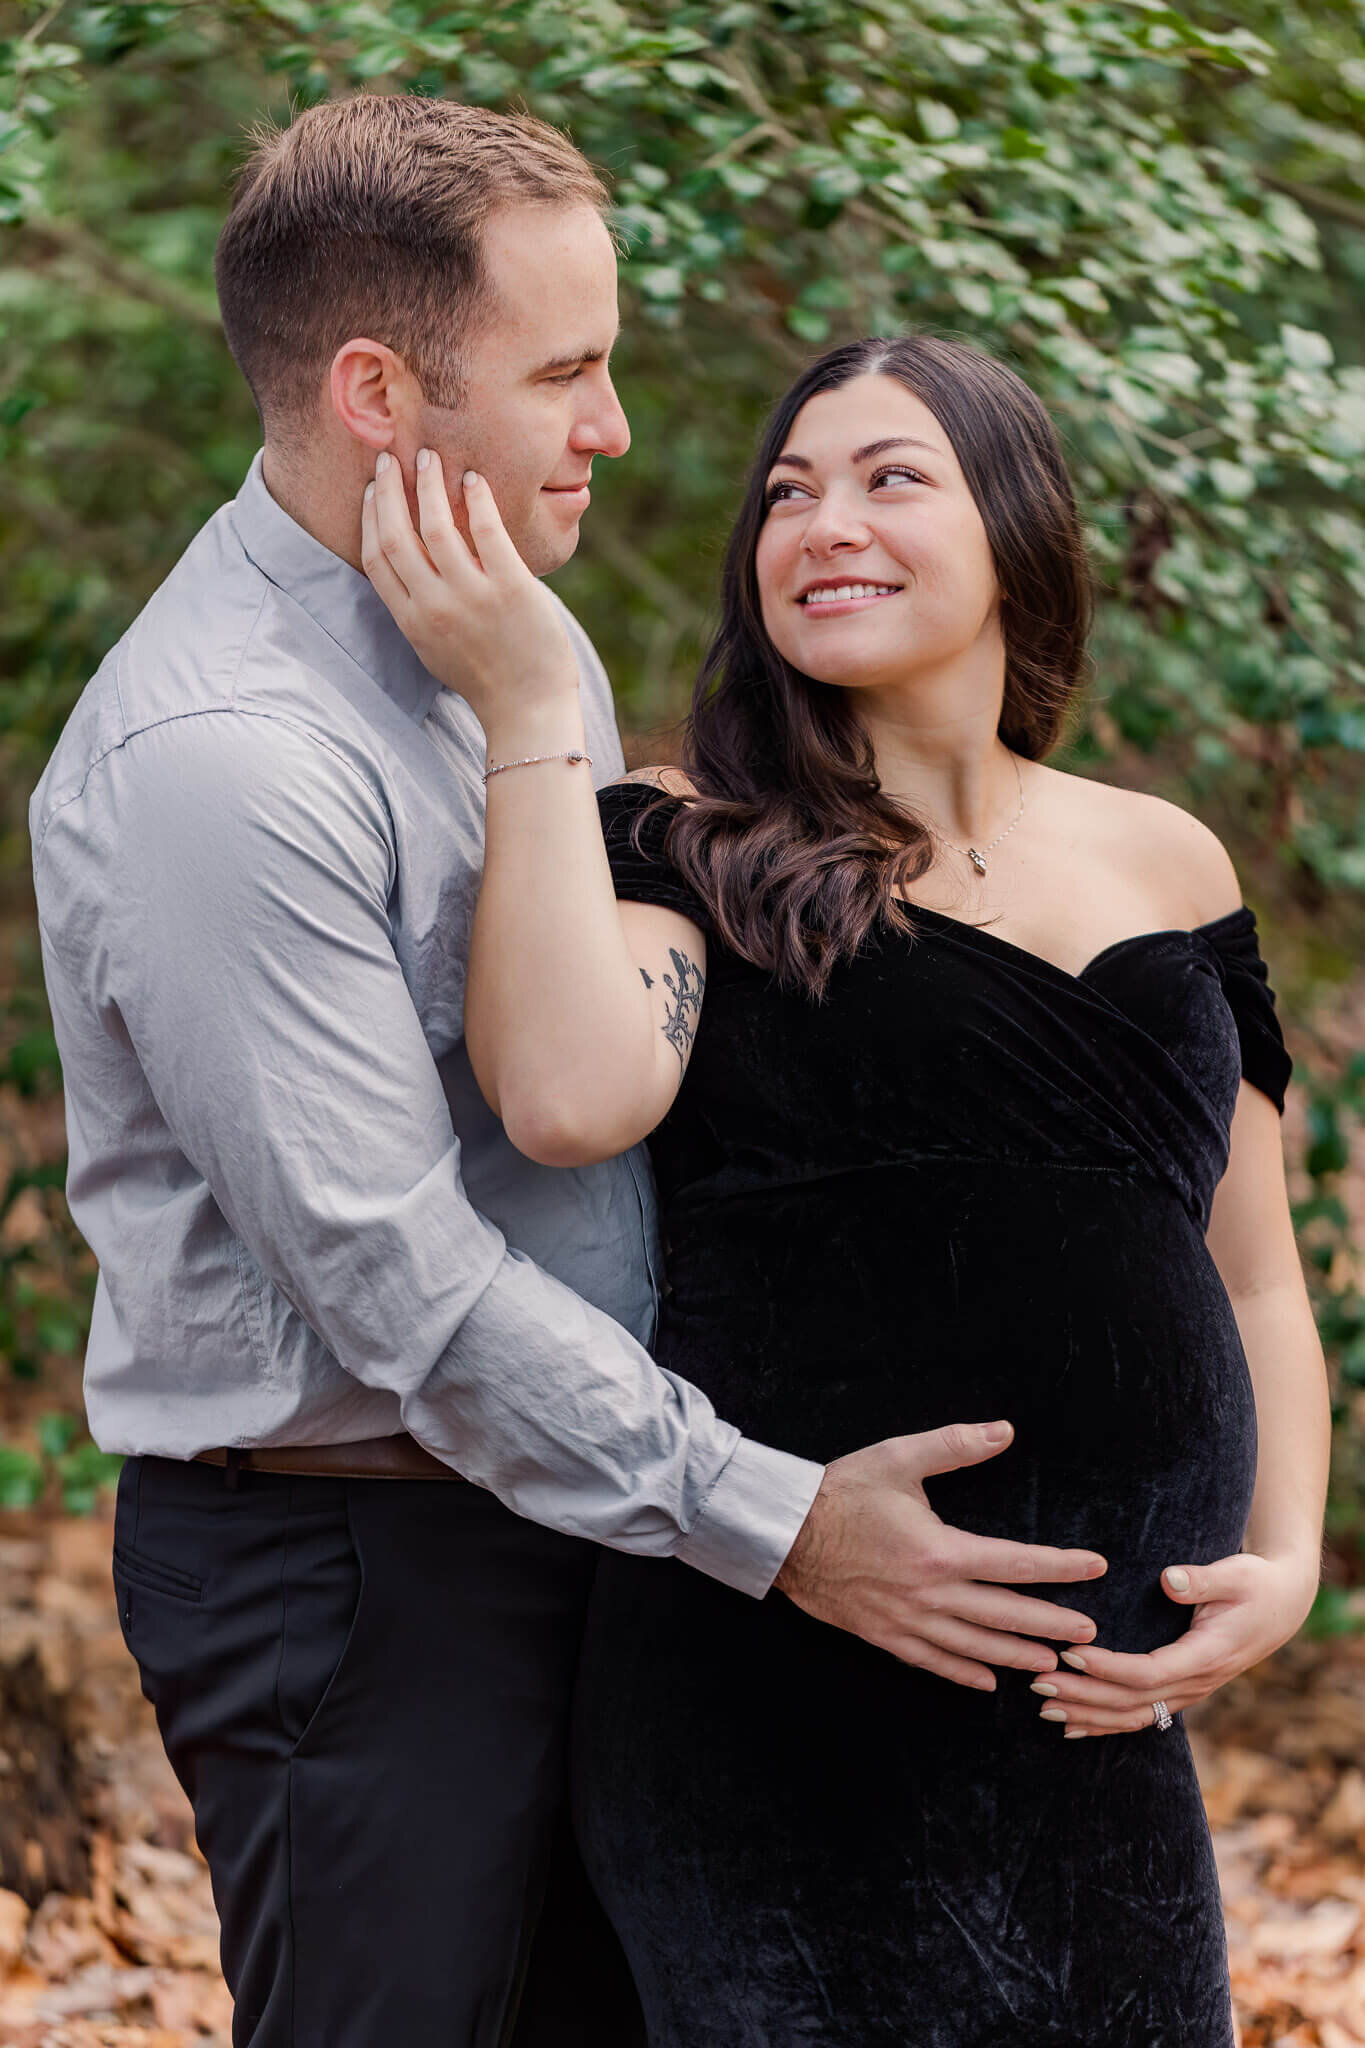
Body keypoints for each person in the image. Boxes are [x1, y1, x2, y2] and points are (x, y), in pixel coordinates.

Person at [27, 100, 1114, 2048]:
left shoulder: (497, 635)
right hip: (360, 1576)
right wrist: (782, 1522)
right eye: (567, 372)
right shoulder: (216, 762)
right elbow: (404, 1289)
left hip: (582, 1519)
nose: (610, 428)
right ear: (377, 390)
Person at [361, 332, 1330, 2044]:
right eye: (788, 493)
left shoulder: (1164, 856)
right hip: (782, 1684)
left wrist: (1288, 1555)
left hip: (1093, 1729)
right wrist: (526, 706)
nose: (823, 523)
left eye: (891, 478)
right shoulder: (690, 829)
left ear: (1014, 522)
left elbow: (1251, 1271)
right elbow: (572, 1097)